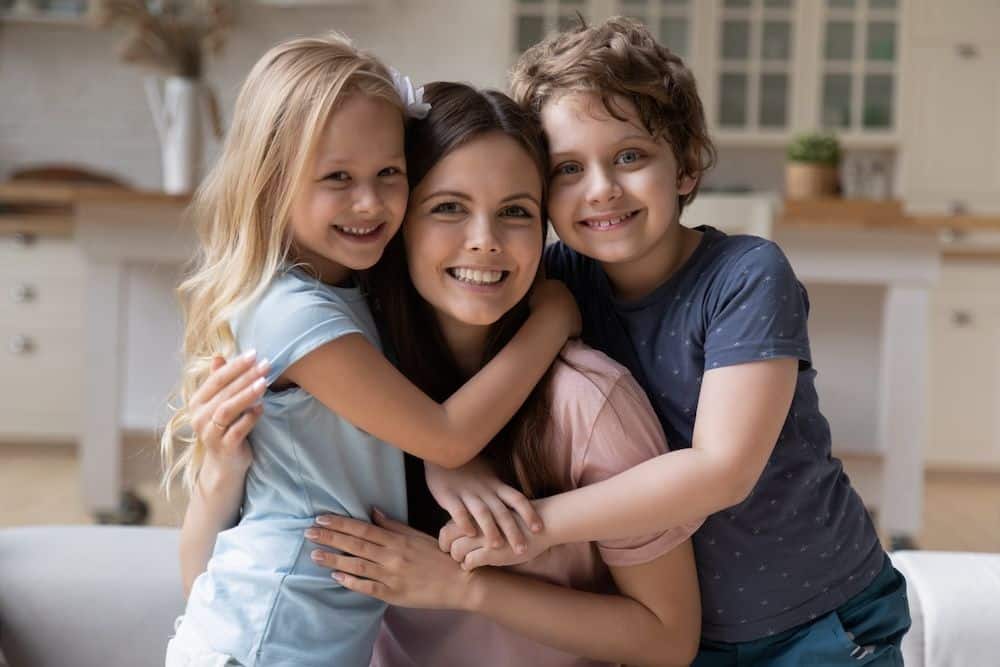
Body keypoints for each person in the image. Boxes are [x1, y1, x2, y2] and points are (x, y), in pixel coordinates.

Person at [432, 16, 911, 666]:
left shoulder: (746, 276)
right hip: (688, 633)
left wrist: (534, 527)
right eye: (567, 168)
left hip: (822, 617)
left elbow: (721, 470)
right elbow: (463, 374)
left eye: (629, 156)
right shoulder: (556, 279)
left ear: (685, 166)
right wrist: (445, 453)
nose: (601, 187)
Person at [184, 81, 703, 667]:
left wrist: (468, 589)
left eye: (515, 212)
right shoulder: (348, 377)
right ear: (398, 219)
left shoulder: (585, 402)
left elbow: (668, 639)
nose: (484, 242)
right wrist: (221, 474)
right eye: (449, 207)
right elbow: (211, 592)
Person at [161, 34, 576, 667]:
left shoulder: (349, 288)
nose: (370, 202)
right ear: (272, 182)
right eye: (338, 178)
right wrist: (551, 318)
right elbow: (443, 434)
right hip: (270, 638)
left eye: (389, 174)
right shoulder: (292, 313)